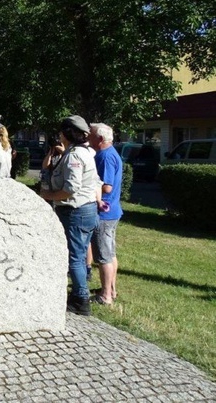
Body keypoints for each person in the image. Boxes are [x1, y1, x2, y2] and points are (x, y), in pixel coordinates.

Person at [40, 115, 100, 316]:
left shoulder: (74, 156)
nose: (58, 135)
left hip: (76, 211)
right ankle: (78, 292)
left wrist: (48, 195)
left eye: (61, 131)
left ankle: (81, 299)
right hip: (86, 209)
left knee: (75, 257)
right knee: (80, 254)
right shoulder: (82, 152)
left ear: (67, 133)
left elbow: (71, 188)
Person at [88, 123, 123, 305]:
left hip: (105, 213)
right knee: (110, 253)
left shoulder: (105, 156)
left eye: (91, 135)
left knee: (103, 256)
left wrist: (87, 184)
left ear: (100, 139)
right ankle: (111, 289)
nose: (88, 138)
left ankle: (105, 296)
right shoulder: (108, 153)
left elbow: (107, 185)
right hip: (112, 211)